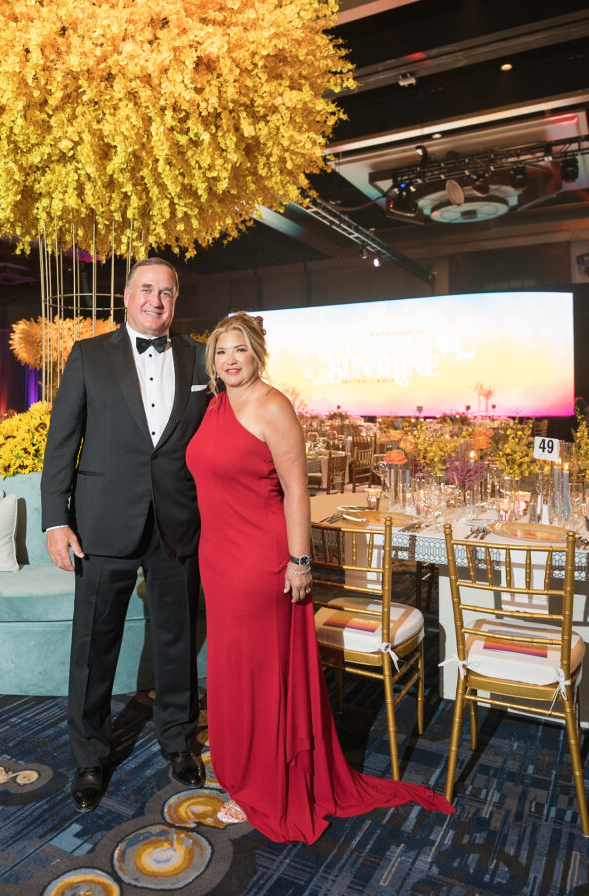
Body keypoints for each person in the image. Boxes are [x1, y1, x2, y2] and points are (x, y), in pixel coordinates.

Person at [186, 312, 454, 844]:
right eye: (221, 351)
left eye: (239, 350)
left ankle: (268, 783)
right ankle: (242, 773)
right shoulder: (215, 404)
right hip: (217, 558)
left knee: (261, 674)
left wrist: (300, 561)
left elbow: (295, 491)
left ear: (257, 354)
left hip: (260, 561)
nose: (230, 360)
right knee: (233, 670)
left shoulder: (272, 405)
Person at [41, 257, 210, 813]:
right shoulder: (89, 355)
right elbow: (61, 442)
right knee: (93, 646)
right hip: (102, 523)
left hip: (175, 522)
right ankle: (90, 756)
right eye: (146, 289)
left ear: (175, 300)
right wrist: (55, 519)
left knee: (177, 640)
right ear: (126, 294)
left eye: (166, 292)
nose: (156, 300)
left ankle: (179, 741)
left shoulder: (198, 356)